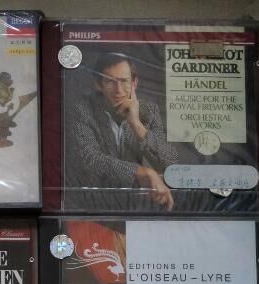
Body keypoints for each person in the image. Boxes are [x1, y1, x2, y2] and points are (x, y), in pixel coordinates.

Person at [69, 52, 178, 210]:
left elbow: (170, 161)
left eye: (124, 81)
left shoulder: (149, 111)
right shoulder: (82, 110)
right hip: (94, 205)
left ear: (134, 83)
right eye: (110, 81)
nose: (118, 90)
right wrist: (141, 172)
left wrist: (136, 124)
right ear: (98, 84)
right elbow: (90, 158)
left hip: (139, 204)